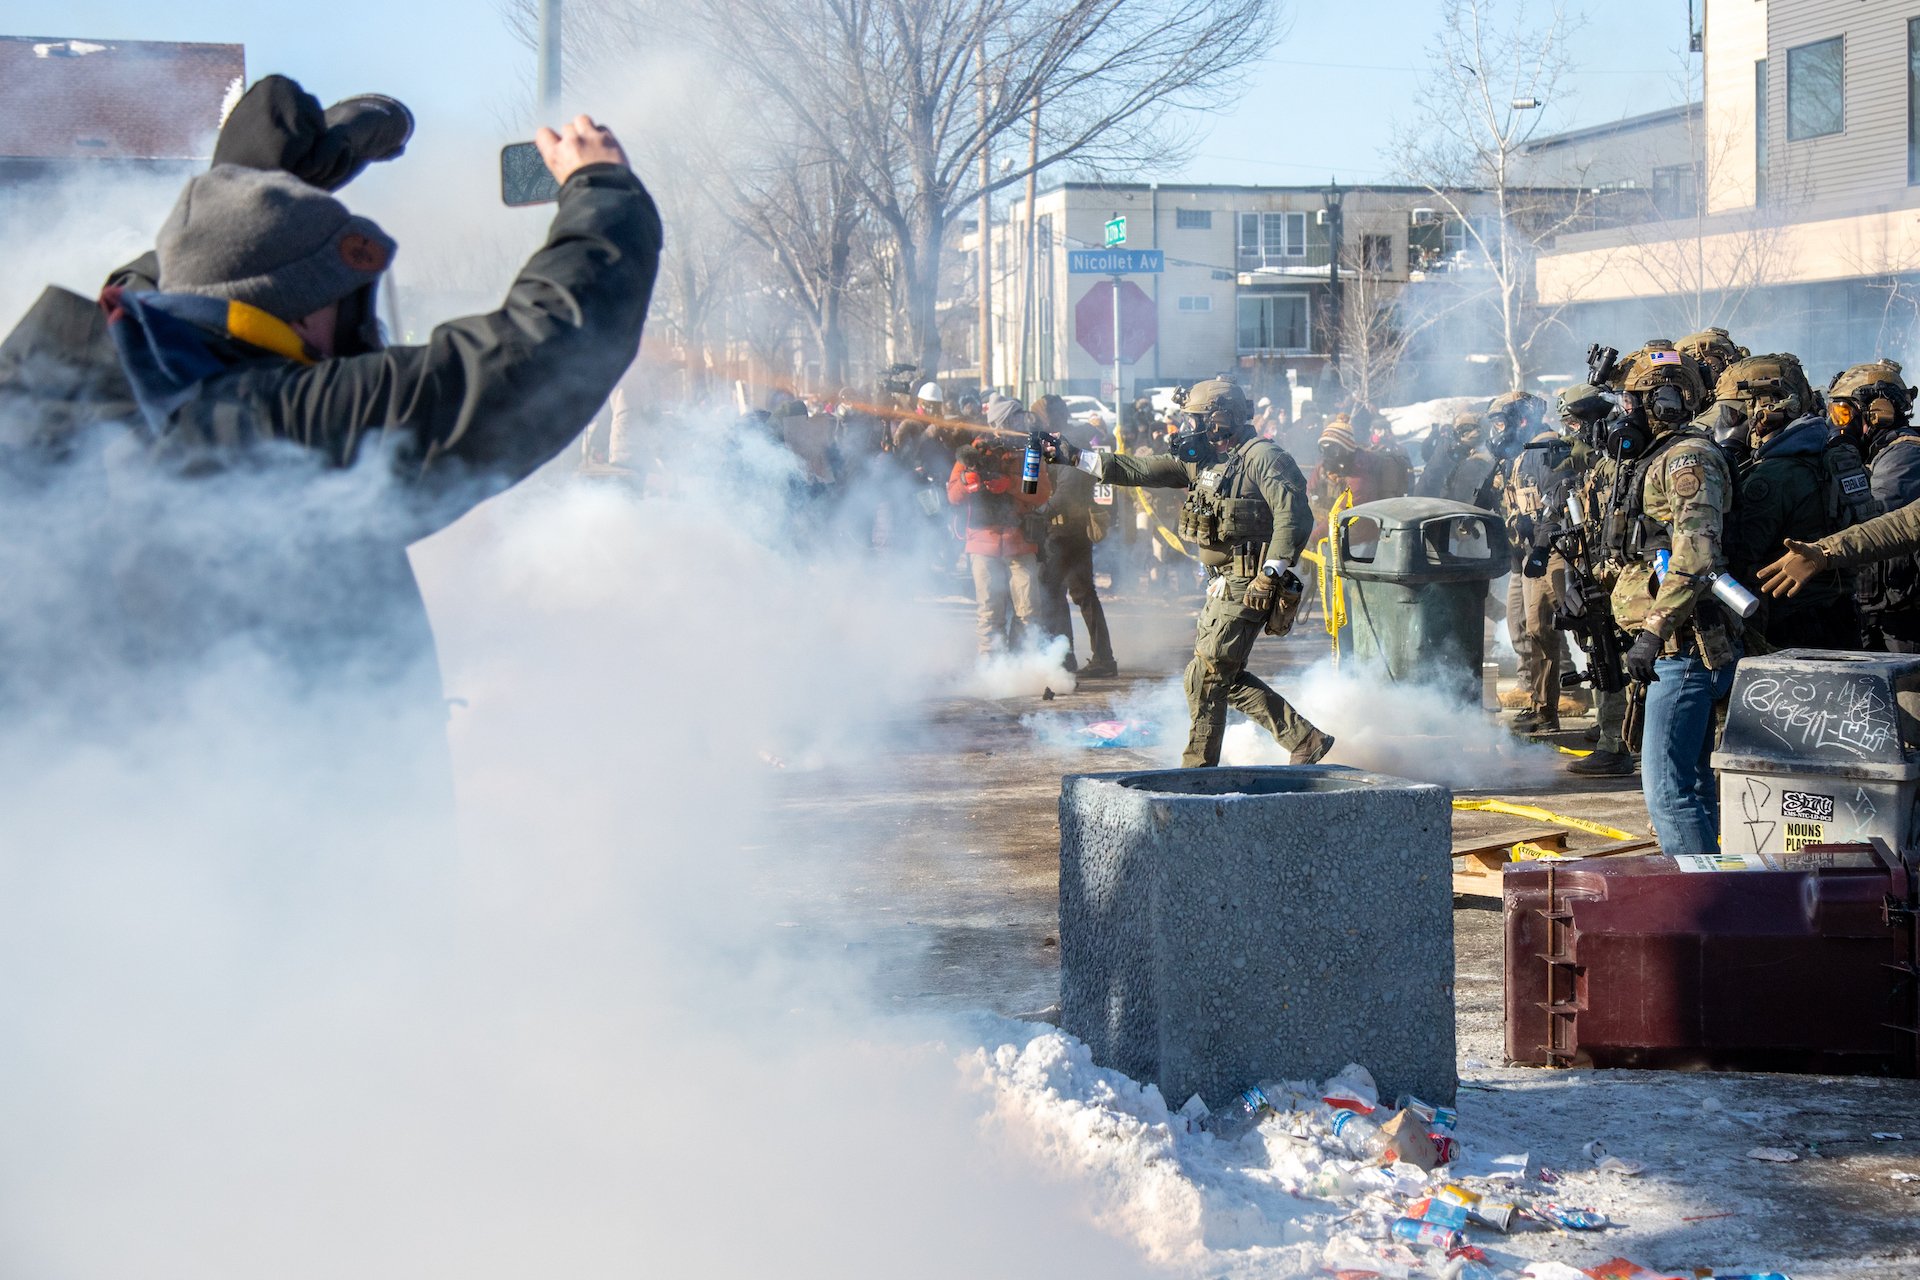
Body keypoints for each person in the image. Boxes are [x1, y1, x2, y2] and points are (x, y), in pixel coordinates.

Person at [0, 107, 658, 742]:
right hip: (274, 839)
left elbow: (181, 288)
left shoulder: (50, 392)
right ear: (302, 311)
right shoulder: (274, 429)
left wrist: (248, 190)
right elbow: (537, 353)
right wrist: (600, 189)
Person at [1042, 379, 1334, 768]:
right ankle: (1303, 737)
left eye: (1195, 419)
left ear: (1219, 419)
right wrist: (1075, 456)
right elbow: (1139, 469)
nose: (1188, 427)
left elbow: (1294, 517)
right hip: (1221, 581)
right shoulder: (1205, 458)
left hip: (1250, 581)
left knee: (1209, 674)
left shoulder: (1263, 457)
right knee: (1212, 673)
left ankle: (1197, 771)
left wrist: (1269, 573)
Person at [1604, 348, 1738, 854]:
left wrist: (1653, 632)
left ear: (1662, 400)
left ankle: (1702, 911)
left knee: (1668, 791)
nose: (1625, 411)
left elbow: (1696, 553)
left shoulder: (1689, 460)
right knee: (1696, 784)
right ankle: (1719, 902)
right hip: (1677, 648)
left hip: (1685, 649)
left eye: (1632, 401)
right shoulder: (1658, 457)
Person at [1717, 355, 1865, 650]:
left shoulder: (1773, 476)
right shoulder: (1824, 452)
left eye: (1734, 412)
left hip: (1791, 625)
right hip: (1839, 611)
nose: (1729, 423)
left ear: (1766, 409)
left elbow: (1738, 554)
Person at [1555, 383, 1637, 778]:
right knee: (1603, 655)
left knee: (1616, 659)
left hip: (1626, 577)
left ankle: (1617, 743)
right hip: (1601, 570)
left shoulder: (1623, 459)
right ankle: (1614, 734)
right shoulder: (1602, 464)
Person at [1493, 391, 1573, 735]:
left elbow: (1555, 506)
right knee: (1537, 629)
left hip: (1555, 553)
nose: (1497, 431)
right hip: (1531, 554)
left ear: (1522, 421)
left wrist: (1540, 547)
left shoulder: (1547, 450)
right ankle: (1542, 707)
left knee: (1579, 630)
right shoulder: (1517, 457)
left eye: (1502, 422)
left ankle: (1610, 720)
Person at [1831, 363, 1920, 649]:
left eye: (1844, 414)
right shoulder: (1878, 453)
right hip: (1883, 606)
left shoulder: (1905, 454)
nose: (1838, 425)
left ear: (1877, 412)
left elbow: (1872, 515)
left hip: (1903, 617)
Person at [948, 415, 1050, 657]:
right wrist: (966, 481)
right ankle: (991, 667)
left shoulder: (1029, 452)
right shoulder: (972, 452)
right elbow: (953, 495)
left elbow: (1041, 493)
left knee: (1028, 610)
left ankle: (1024, 663)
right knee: (989, 611)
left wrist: (1010, 484)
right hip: (982, 541)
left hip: (1020, 540)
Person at [1035, 394, 1117, 677]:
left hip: (1063, 531)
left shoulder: (1062, 442)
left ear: (1048, 418)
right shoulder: (1056, 441)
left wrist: (1039, 512)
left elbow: (1066, 489)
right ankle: (1102, 659)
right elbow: (1036, 481)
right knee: (1083, 595)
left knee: (1057, 594)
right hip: (1070, 529)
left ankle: (1066, 660)